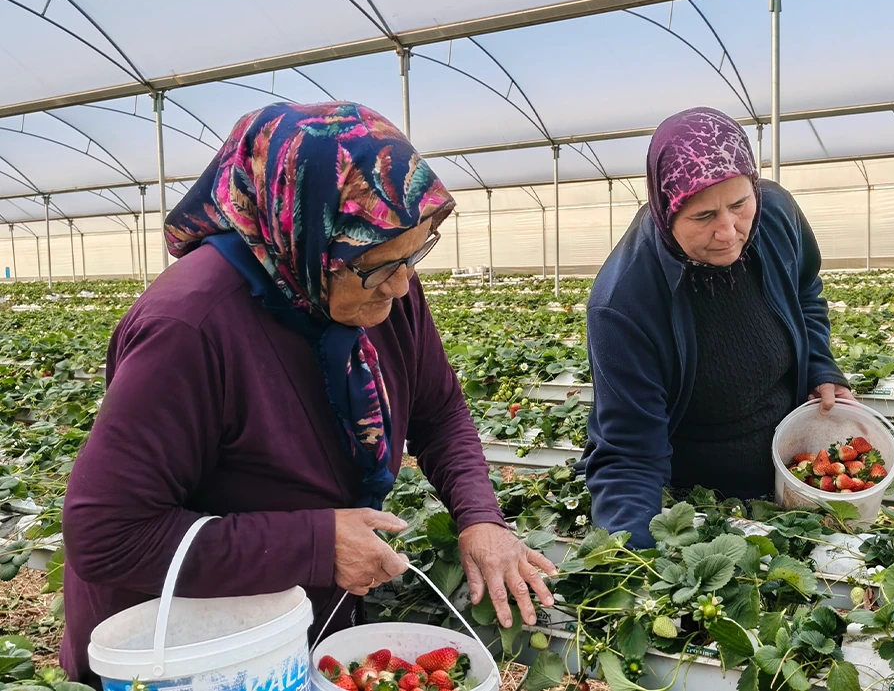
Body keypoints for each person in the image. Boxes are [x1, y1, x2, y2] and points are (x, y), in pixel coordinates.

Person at [60, 102, 555, 683]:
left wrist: (480, 517)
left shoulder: (380, 277)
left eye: (415, 255)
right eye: (377, 267)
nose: (401, 285)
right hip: (189, 650)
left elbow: (438, 410)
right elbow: (109, 535)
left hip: (292, 624)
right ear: (305, 237)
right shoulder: (189, 327)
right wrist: (315, 544)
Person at [583, 106, 852, 549]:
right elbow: (628, 454)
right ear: (666, 210)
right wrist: (634, 559)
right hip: (700, 503)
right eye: (703, 217)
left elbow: (805, 289)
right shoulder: (623, 303)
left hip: (795, 465)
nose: (728, 231)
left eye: (739, 205)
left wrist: (822, 366)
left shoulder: (776, 214)